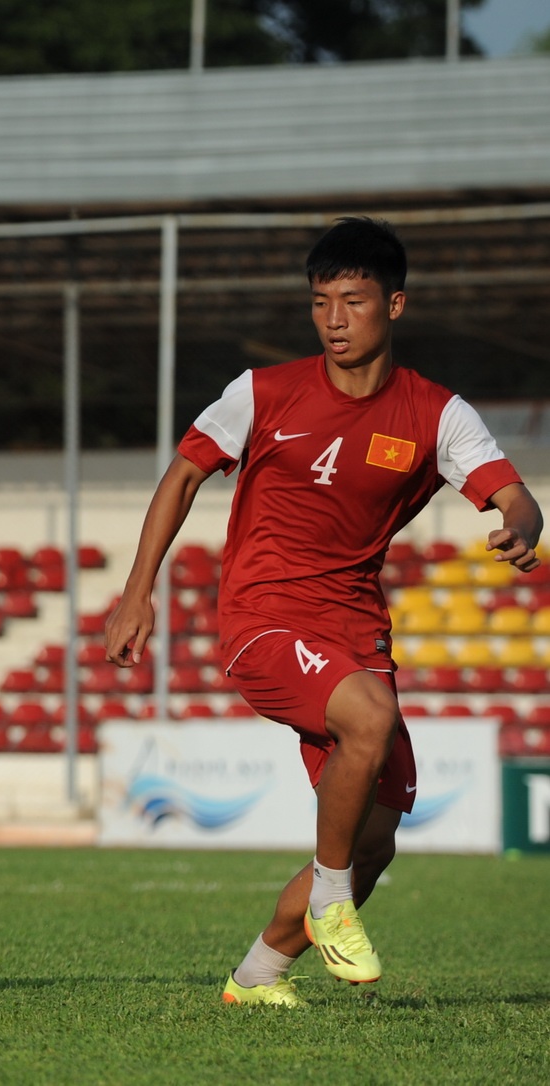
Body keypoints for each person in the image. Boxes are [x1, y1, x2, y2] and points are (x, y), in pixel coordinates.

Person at [103, 217, 542, 1008]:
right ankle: (330, 902)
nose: (334, 319)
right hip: (263, 617)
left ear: (394, 305)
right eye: (319, 302)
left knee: (375, 843)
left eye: (353, 301)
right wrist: (139, 591)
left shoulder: (437, 415)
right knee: (369, 719)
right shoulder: (261, 392)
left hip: (355, 629)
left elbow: (514, 494)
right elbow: (183, 473)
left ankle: (257, 975)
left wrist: (521, 526)